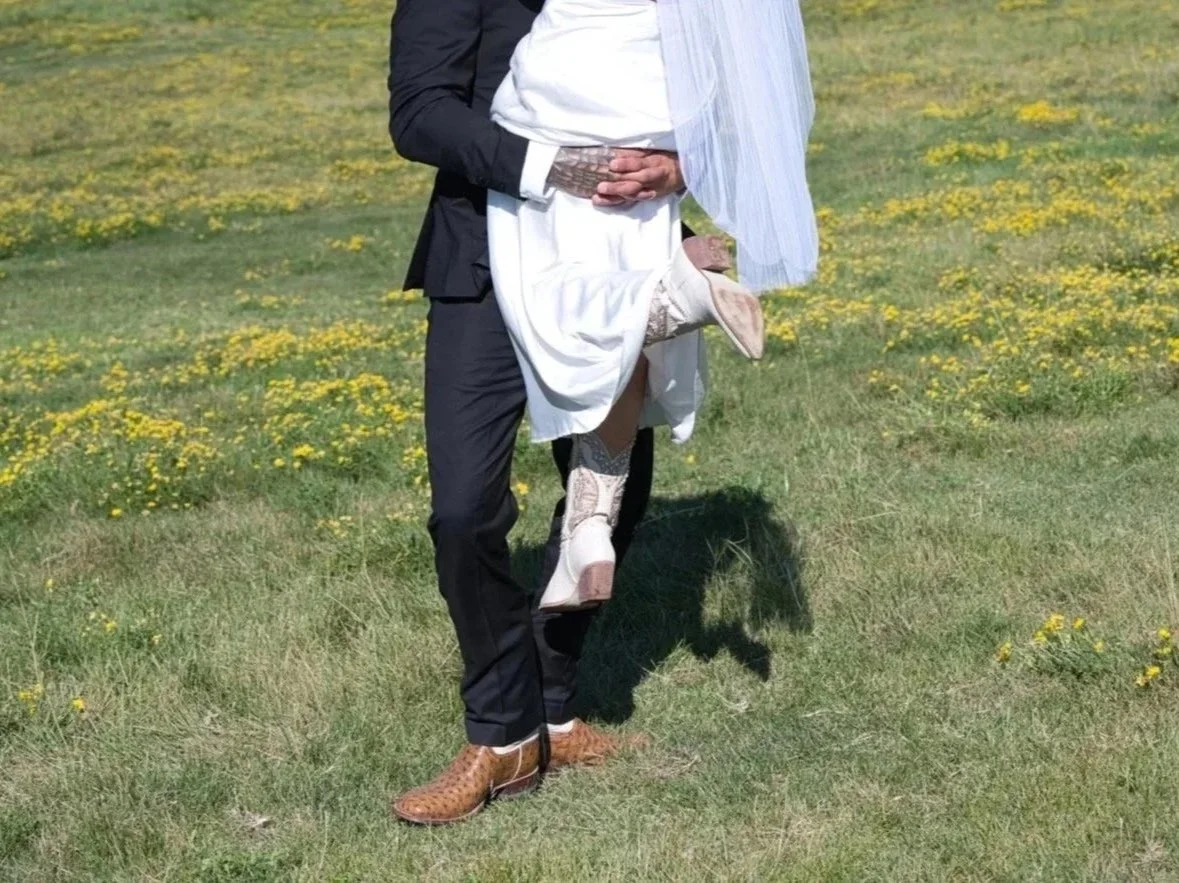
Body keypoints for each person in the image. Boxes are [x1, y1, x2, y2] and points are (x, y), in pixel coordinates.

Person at [386, 0, 689, 826]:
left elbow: (714, 91)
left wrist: (675, 169)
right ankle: (500, 730)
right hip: (481, 256)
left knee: (611, 501)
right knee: (462, 510)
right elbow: (417, 111)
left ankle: (549, 707)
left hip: (619, 250)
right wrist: (548, 166)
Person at [487, 0, 818, 613]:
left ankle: (681, 295)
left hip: (558, 108)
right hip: (647, 117)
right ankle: (588, 532)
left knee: (554, 308)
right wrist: (680, 161)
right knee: (621, 340)